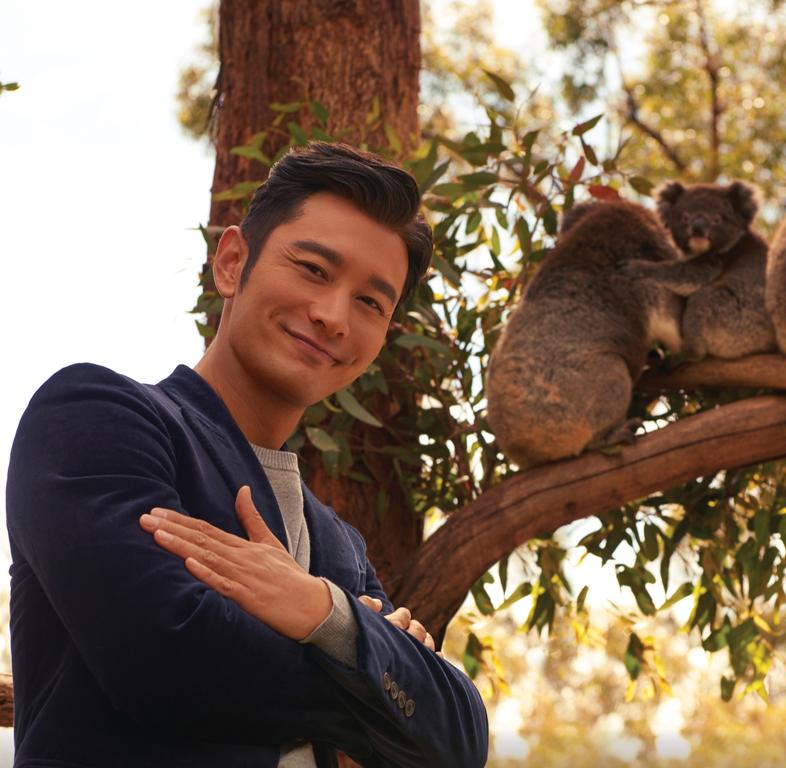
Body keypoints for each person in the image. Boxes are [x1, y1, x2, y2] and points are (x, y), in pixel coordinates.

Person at [6, 142, 489, 767]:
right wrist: (373, 681)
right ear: (232, 262)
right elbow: (164, 663)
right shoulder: (96, 417)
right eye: (314, 269)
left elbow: (460, 740)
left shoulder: (338, 545)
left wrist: (325, 612)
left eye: (371, 302)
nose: (333, 316)